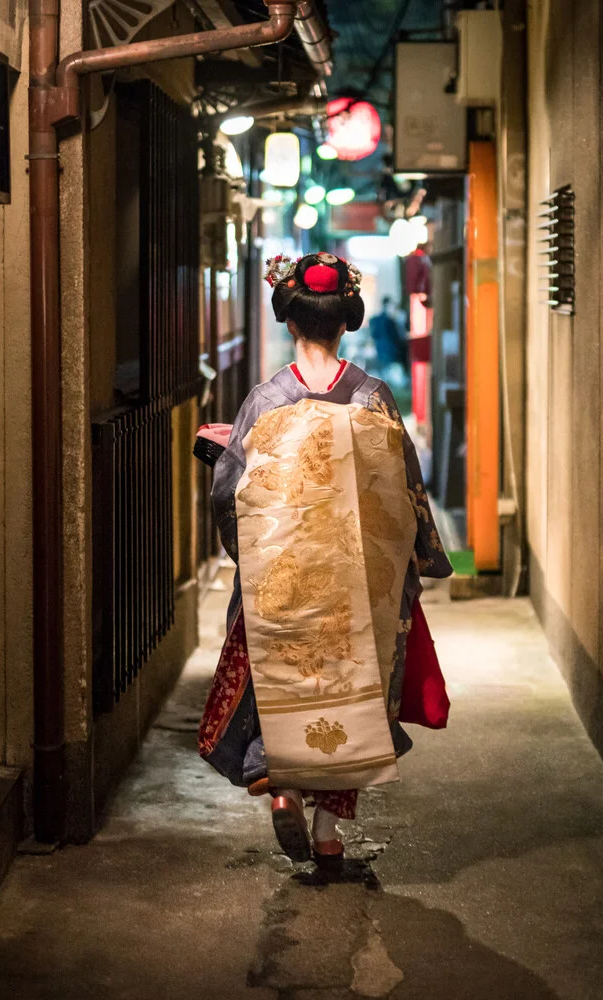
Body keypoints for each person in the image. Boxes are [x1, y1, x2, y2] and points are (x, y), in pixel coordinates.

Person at [195, 251, 453, 865]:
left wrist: (250, 555)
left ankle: (281, 785)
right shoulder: (373, 399)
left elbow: (230, 493)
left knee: (282, 682)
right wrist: (421, 557)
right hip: (360, 583)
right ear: (348, 321)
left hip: (282, 578)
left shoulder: (266, 401)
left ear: (290, 319)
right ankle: (327, 835)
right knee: (357, 693)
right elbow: (405, 489)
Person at [369, 296, 408, 374]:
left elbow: (374, 336)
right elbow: (397, 338)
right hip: (392, 354)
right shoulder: (390, 321)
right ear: (387, 306)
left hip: (381, 354)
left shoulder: (374, 320)